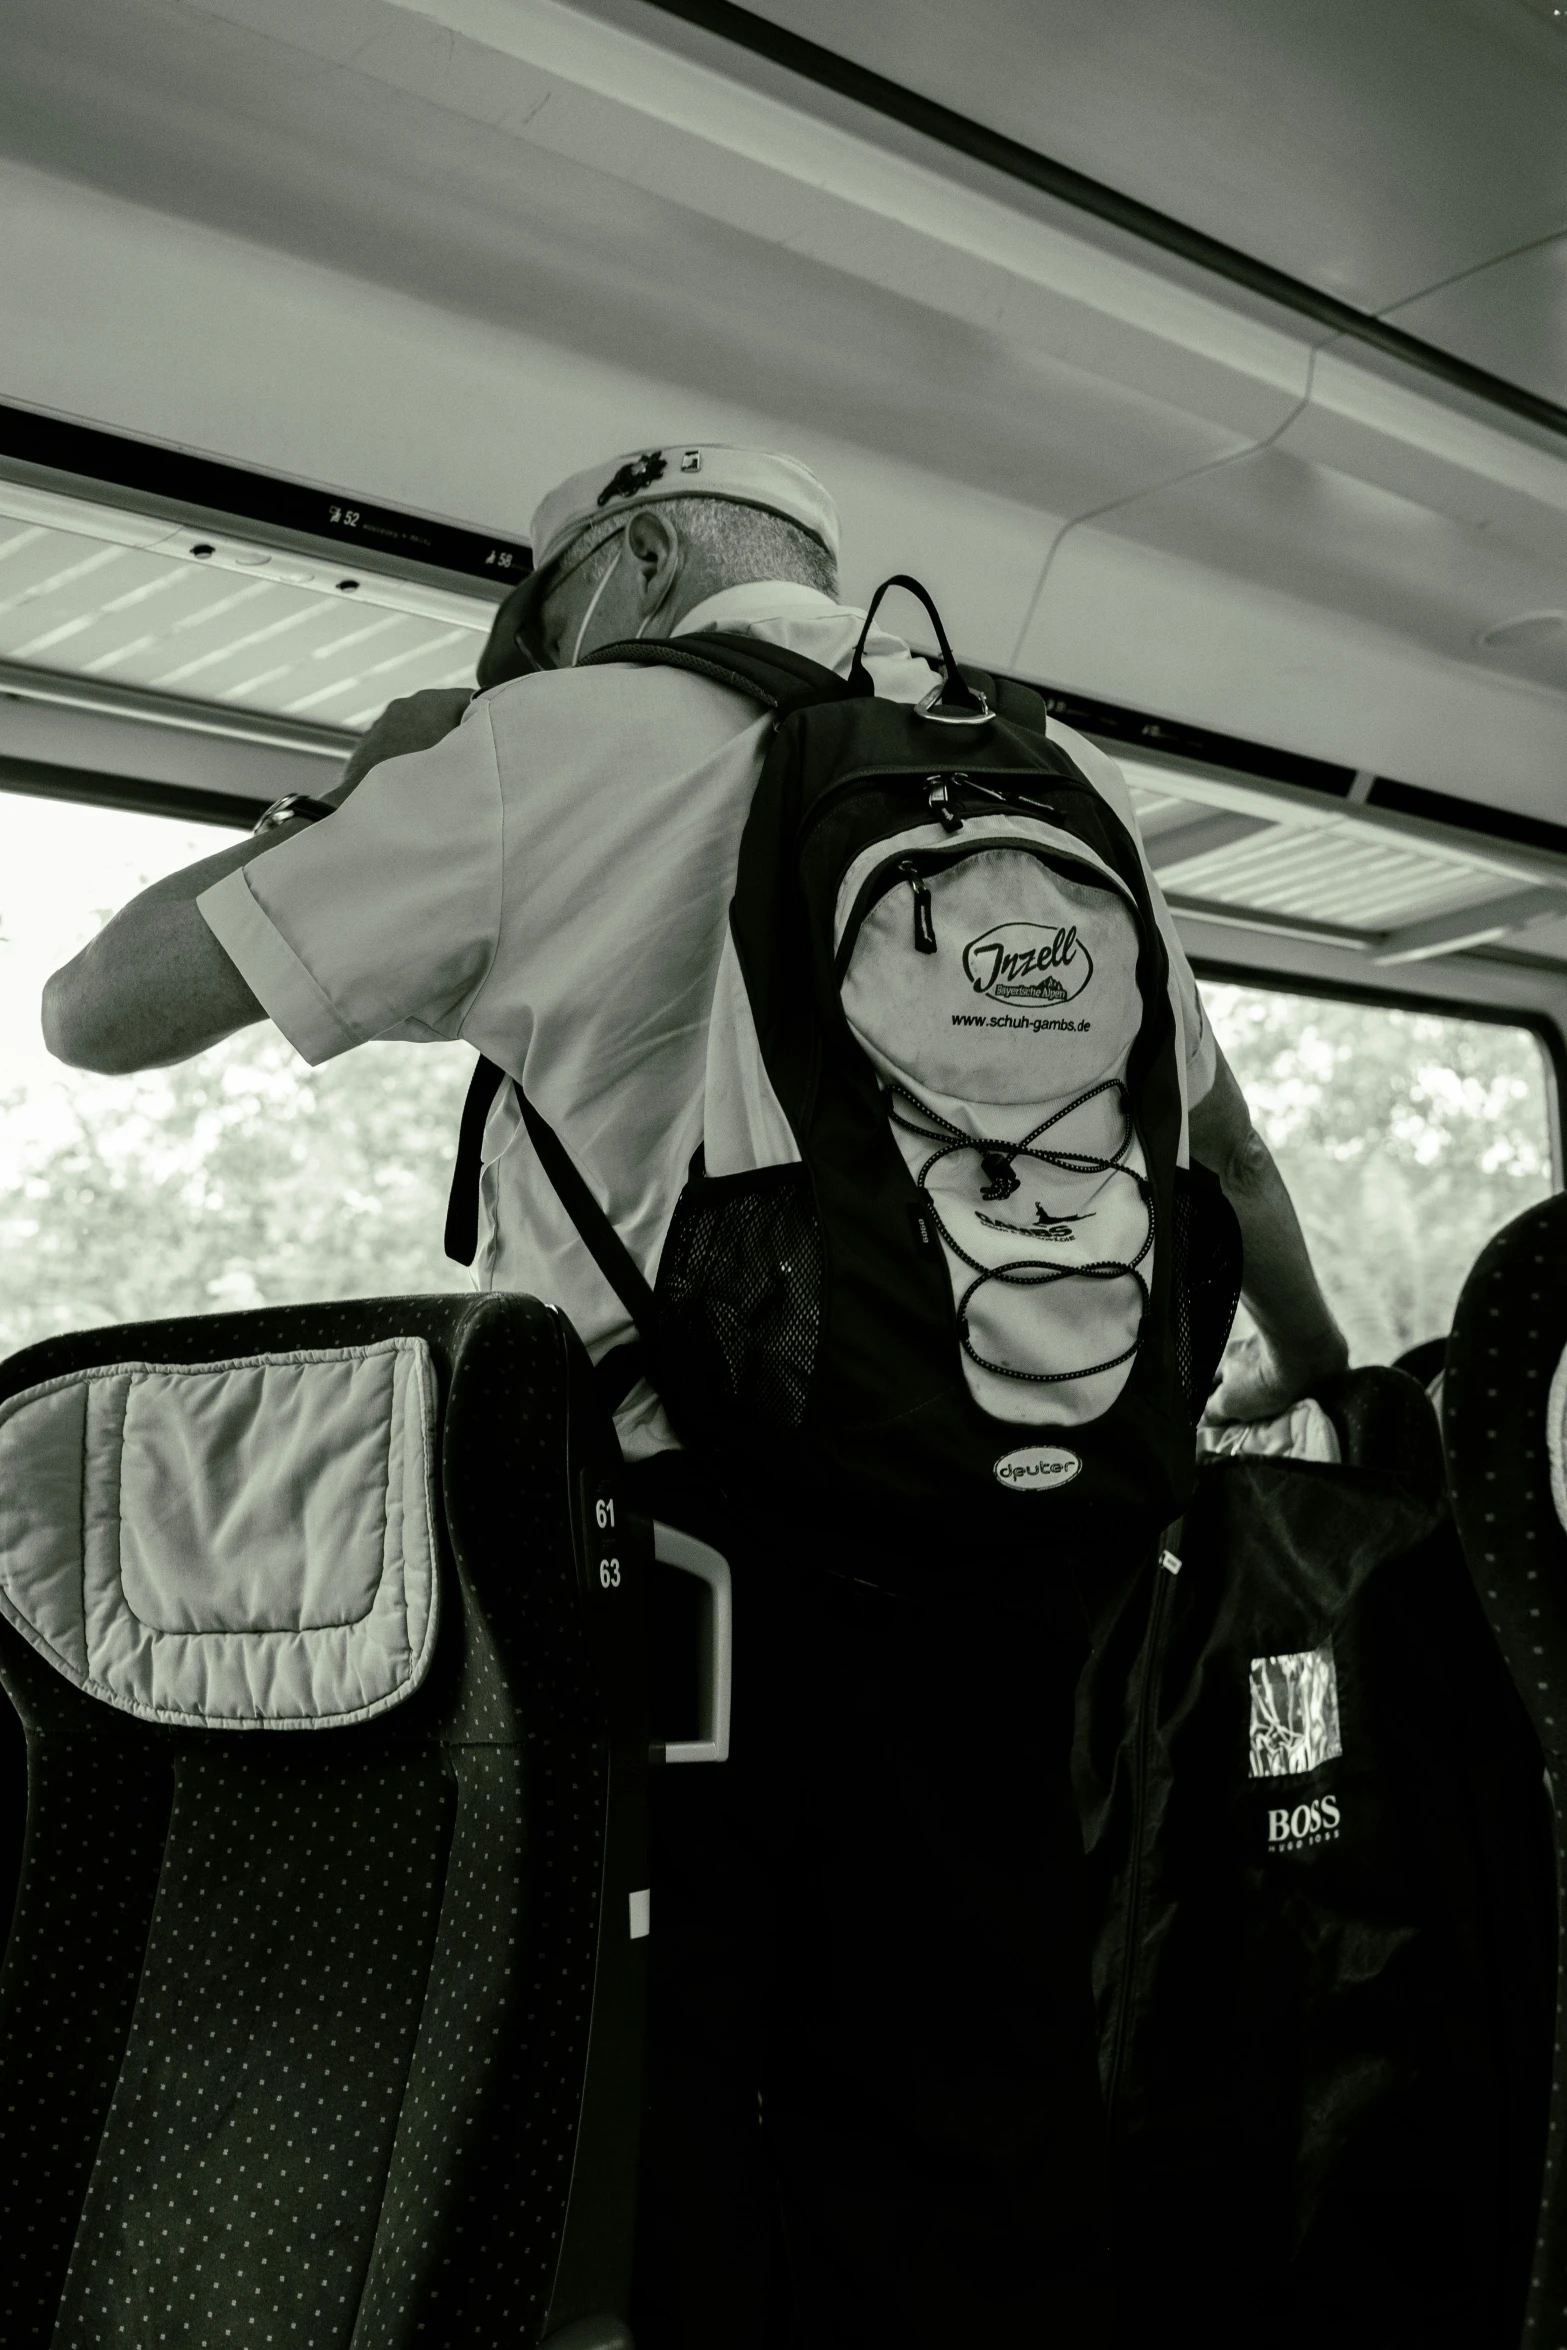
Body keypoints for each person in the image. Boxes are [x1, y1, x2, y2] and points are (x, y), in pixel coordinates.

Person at [42, 443, 1348, 2348]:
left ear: (631, 557)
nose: (523, 656)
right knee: (977, 2127)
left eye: (534, 613)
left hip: (679, 1591)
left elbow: (101, 1011)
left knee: (656, 2148)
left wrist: (360, 790)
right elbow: (1210, 1148)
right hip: (1026, 1564)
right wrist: (1307, 1369)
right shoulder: (1057, 781)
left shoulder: (551, 742)